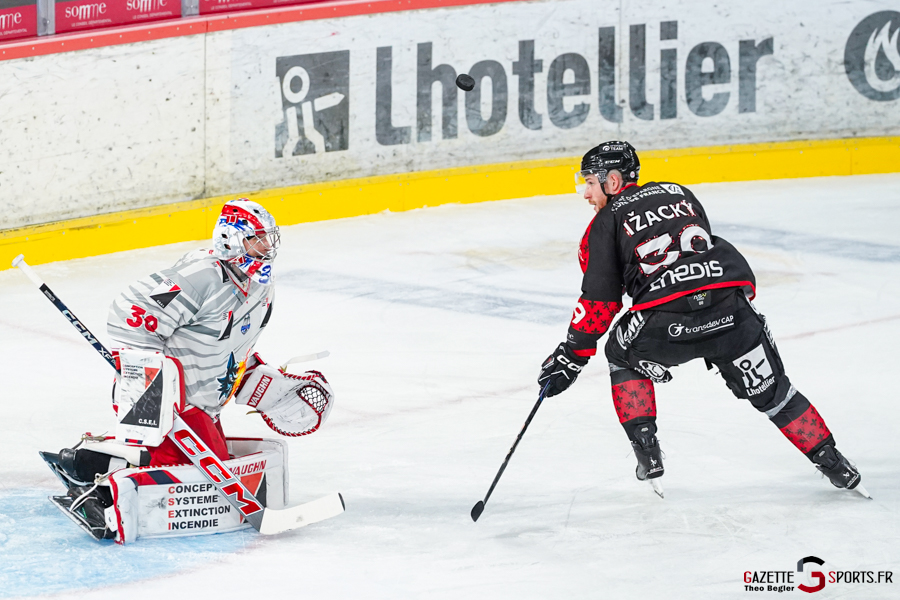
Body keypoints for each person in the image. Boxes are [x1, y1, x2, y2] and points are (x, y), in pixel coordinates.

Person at [537, 141, 867, 498]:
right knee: (774, 393)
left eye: (589, 182)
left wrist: (572, 355)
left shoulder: (604, 222)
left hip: (665, 325)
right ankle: (834, 463)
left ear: (613, 181)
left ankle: (648, 453)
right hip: (731, 311)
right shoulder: (681, 193)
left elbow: (600, 302)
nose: (585, 193)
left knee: (621, 353)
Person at [41, 199, 334, 539]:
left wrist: (255, 381)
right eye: (257, 239)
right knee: (179, 471)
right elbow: (129, 313)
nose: (267, 247)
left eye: (268, 239)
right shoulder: (200, 277)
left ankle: (84, 462)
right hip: (176, 405)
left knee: (207, 461)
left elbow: (230, 347)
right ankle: (98, 496)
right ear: (232, 240)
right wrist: (151, 381)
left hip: (206, 405)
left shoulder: (260, 289)